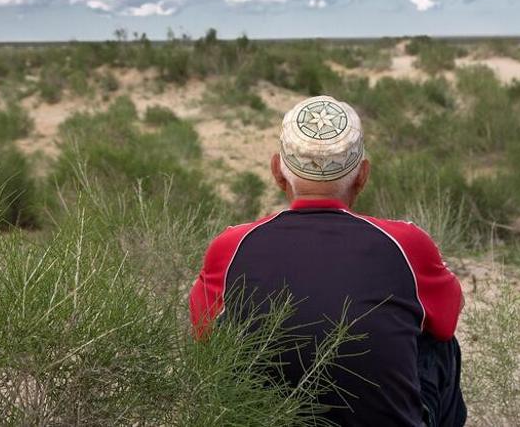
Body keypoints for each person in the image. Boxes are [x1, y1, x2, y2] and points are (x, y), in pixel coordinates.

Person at [189, 95, 467, 426]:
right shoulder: (406, 245)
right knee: (440, 345)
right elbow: (446, 321)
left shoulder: (232, 246)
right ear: (363, 174)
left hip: (265, 416)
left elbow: (202, 333)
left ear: (277, 171)